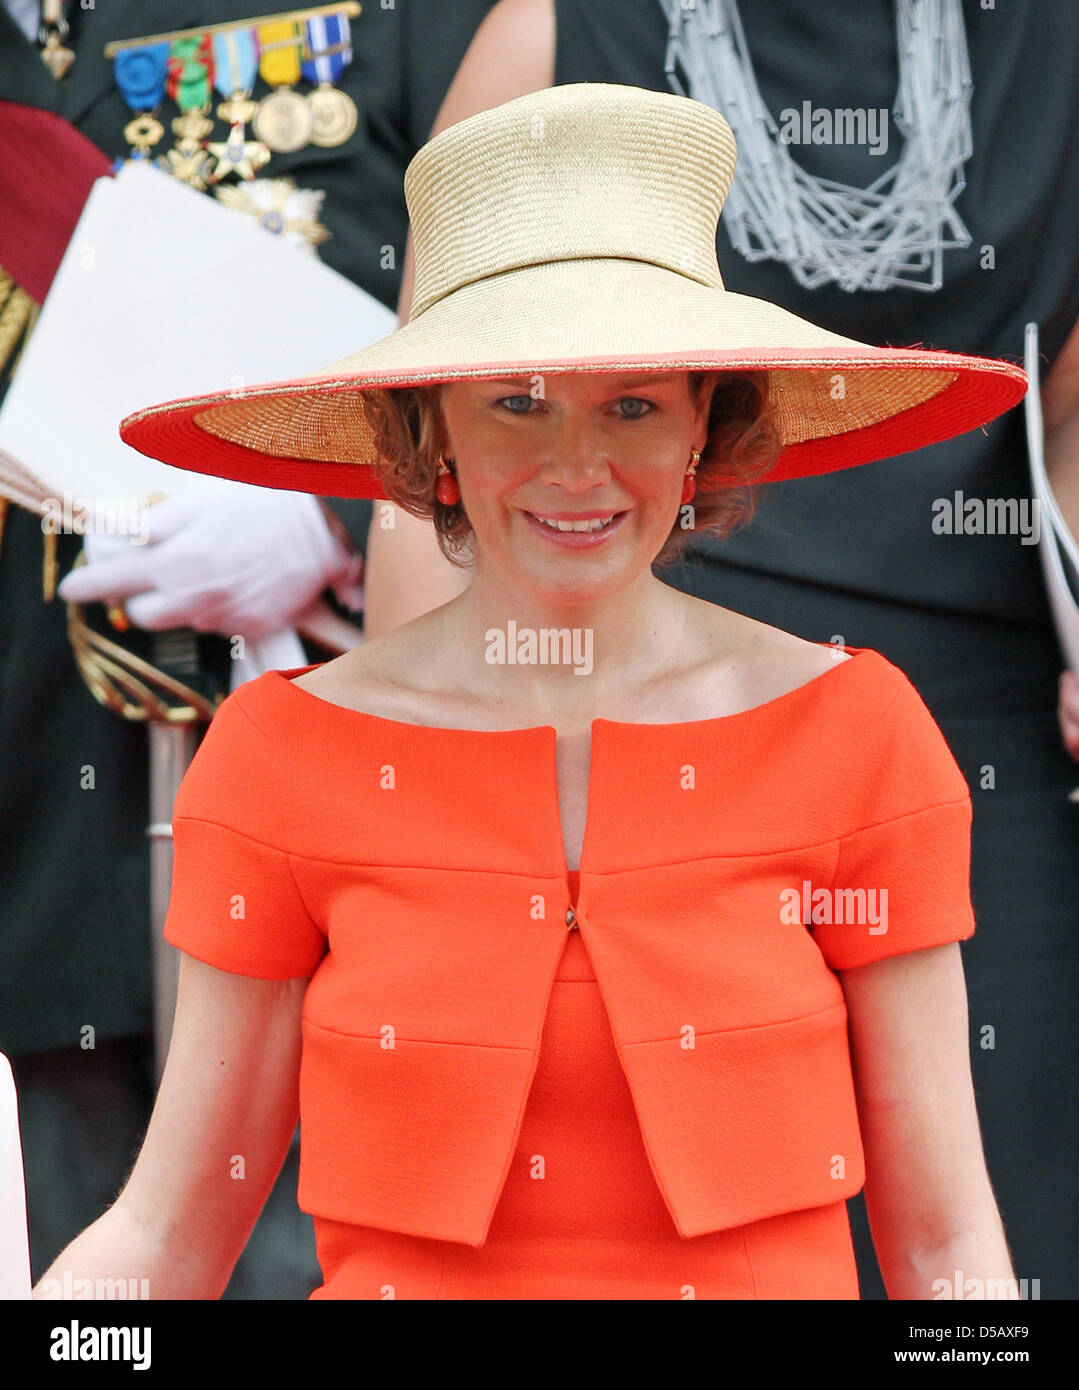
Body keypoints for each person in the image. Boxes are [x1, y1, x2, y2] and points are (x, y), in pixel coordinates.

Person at [34, 82, 1025, 1300]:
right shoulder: (282, 752)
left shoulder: (854, 730)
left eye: (631, 404)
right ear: (429, 429)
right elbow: (165, 1238)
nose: (575, 468)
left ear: (705, 428)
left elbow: (945, 1251)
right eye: (516, 402)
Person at [360, 0, 1079, 1299]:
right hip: (609, 699)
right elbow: (437, 449)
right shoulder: (552, 31)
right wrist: (432, 795)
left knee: (995, 1227)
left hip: (988, 707)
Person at [0, 0, 495, 1297]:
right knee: (95, 1257)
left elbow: (506, 293)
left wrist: (338, 506)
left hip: (323, 730)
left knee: (329, 1237)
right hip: (40, 785)